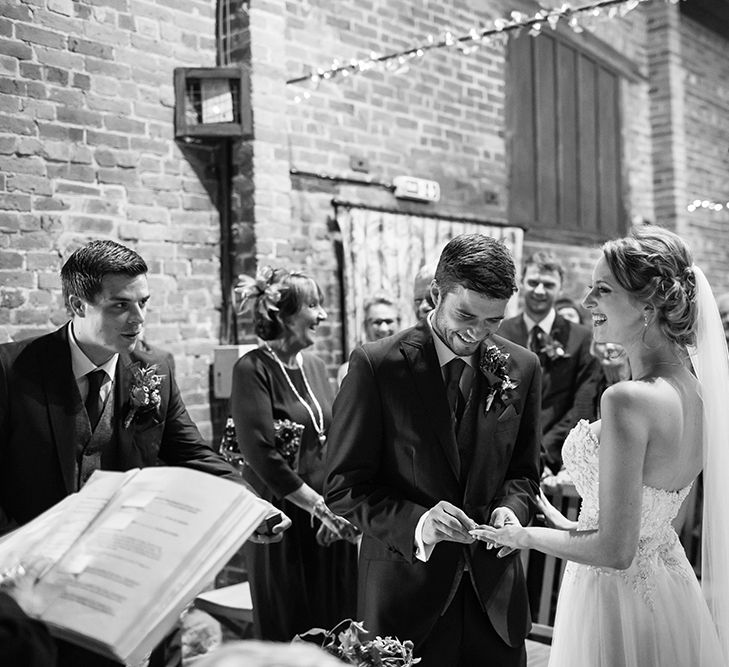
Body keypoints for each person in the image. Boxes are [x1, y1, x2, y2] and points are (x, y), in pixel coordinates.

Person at [0, 240, 290, 665]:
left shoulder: (154, 368)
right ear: (76, 304)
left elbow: (191, 452)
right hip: (32, 588)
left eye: (144, 302)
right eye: (120, 305)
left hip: (130, 576)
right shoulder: (12, 371)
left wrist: (247, 506)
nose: (138, 319)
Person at [473, 225, 729, 666]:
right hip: (669, 589)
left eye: (602, 291)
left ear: (647, 305)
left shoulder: (629, 399)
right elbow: (652, 517)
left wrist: (525, 535)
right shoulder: (698, 392)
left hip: (614, 599)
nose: (588, 303)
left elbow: (616, 550)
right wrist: (569, 521)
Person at [325, 234, 542, 666]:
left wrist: (512, 510)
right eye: (466, 314)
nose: (477, 333)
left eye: (493, 321)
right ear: (435, 295)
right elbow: (343, 487)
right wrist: (421, 523)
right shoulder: (377, 365)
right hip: (404, 605)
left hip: (495, 603)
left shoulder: (523, 367)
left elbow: (524, 474)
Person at [230, 267, 358, 642]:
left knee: (338, 621)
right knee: (293, 627)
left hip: (329, 520)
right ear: (282, 315)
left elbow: (331, 438)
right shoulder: (251, 369)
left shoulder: (317, 367)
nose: (322, 315)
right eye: (313, 305)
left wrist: (339, 504)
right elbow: (260, 453)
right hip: (284, 518)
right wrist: (317, 505)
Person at [498, 251, 600, 474]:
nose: (539, 290)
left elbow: (581, 406)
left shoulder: (581, 338)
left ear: (560, 288)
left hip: (555, 462)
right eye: (533, 282)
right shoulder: (499, 334)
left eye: (548, 284)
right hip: (502, 456)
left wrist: (545, 456)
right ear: (521, 284)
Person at [337, 294, 401, 385]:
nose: (383, 329)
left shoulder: (411, 365)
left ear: (399, 323)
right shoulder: (348, 371)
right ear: (366, 326)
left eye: (388, 321)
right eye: (377, 322)